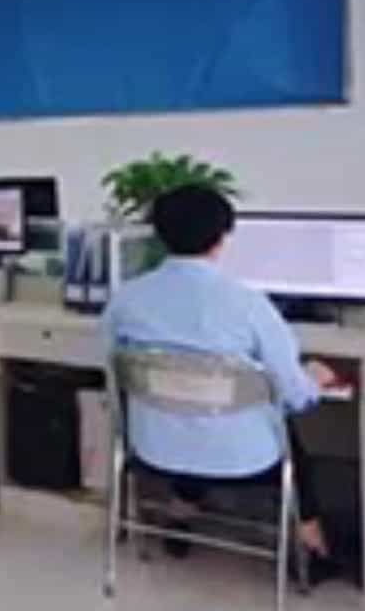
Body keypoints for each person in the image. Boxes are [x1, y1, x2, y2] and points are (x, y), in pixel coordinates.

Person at [102, 185, 341, 560]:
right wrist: (315, 379)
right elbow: (294, 396)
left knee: (190, 409)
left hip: (154, 449)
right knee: (281, 429)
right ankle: (312, 546)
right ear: (222, 238)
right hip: (244, 459)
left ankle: (180, 512)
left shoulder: (125, 300)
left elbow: (110, 368)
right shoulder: (249, 304)